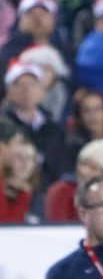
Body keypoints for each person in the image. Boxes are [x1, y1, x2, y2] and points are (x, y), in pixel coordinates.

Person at [0, 58, 69, 186]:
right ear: (8, 91)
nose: (26, 90)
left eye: (32, 84)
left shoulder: (53, 128)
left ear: (42, 90)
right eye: (19, 85)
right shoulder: (3, 127)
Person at [45, 136, 103, 223]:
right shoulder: (61, 191)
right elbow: (57, 229)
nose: (83, 171)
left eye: (92, 168)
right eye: (82, 163)